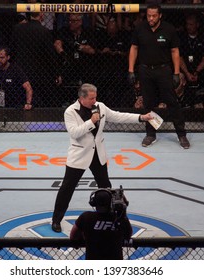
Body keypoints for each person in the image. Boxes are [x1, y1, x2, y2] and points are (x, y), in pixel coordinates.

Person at [51, 83, 153, 232]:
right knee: (67, 188)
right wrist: (91, 121)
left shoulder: (100, 106)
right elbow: (75, 133)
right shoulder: (70, 111)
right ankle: (56, 220)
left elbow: (118, 116)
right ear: (82, 98)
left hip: (98, 154)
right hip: (79, 155)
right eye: (91, 98)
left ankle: (111, 217)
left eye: (95, 97)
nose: (94, 101)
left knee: (105, 186)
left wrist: (141, 117)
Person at [128, 4, 190, 149]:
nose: (151, 18)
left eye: (154, 16)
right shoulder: (140, 28)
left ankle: (181, 135)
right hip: (145, 70)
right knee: (148, 104)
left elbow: (175, 51)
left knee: (172, 102)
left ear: (160, 15)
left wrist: (176, 72)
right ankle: (150, 134)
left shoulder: (169, 29)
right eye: (148, 15)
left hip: (163, 70)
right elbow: (134, 48)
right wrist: (131, 70)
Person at [70, 188, 132, 260]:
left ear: (93, 202)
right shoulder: (119, 218)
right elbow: (128, 235)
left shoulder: (86, 217)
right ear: (110, 203)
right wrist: (123, 210)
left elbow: (73, 236)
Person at [11, 11, 57, 107]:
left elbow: (12, 50)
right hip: (40, 73)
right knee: (39, 102)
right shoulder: (44, 31)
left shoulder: (17, 29)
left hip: (21, 71)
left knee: (21, 101)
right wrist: (56, 72)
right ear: (41, 15)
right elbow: (50, 55)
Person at [54, 13, 96, 107]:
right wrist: (63, 53)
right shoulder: (64, 31)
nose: (70, 23)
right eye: (69, 21)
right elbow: (57, 43)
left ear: (80, 22)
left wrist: (76, 45)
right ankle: (65, 103)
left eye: (73, 21)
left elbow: (92, 50)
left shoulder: (87, 32)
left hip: (84, 64)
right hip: (68, 63)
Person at [0, 46, 33, 111]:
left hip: (14, 105)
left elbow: (28, 87)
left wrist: (28, 103)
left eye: (2, 58)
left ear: (8, 57)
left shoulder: (15, 69)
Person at [178, 13, 204, 108]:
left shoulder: (203, 38)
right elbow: (179, 57)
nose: (188, 27)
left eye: (191, 24)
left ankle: (203, 102)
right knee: (180, 77)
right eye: (187, 24)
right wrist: (187, 73)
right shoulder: (182, 38)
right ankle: (183, 102)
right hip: (185, 69)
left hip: (199, 69)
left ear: (197, 25)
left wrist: (197, 72)